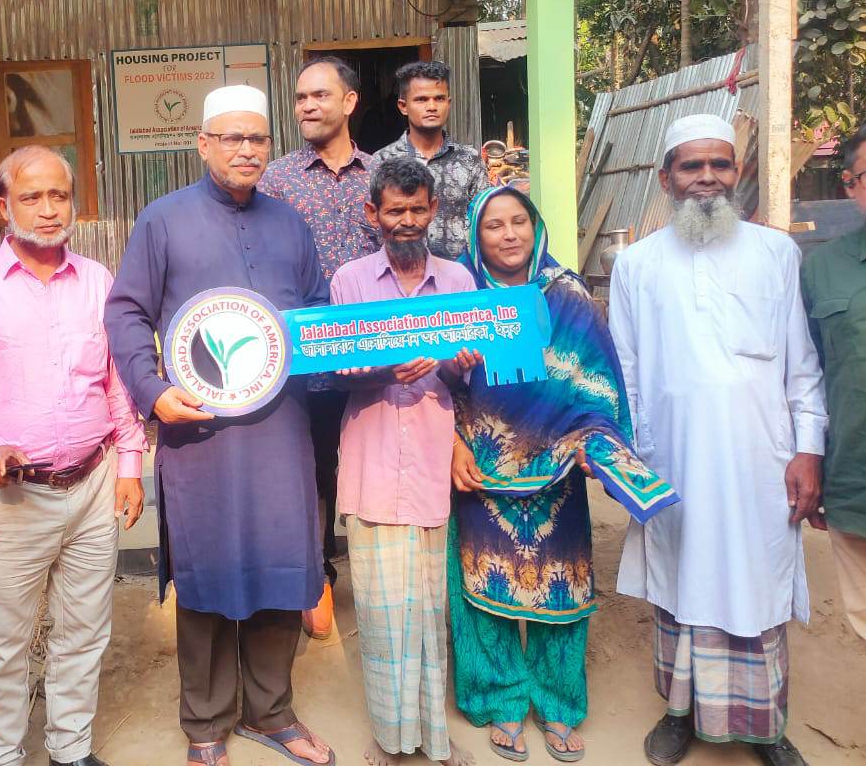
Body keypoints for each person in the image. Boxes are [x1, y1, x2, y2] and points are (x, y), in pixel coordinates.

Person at [104, 84, 334, 766]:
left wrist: (338, 361)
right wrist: (153, 393)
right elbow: (125, 314)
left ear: (270, 147)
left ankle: (271, 711)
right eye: (230, 138)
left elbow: (318, 314)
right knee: (204, 573)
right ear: (202, 143)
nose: (245, 150)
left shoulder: (290, 225)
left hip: (279, 430)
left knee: (281, 560)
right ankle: (205, 723)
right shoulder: (164, 221)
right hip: (197, 430)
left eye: (257, 138)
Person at [609, 114, 827, 766]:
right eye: (690, 165)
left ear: (738, 173)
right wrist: (633, 466)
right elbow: (627, 375)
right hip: (673, 461)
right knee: (681, 584)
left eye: (720, 165)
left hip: (763, 459)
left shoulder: (776, 253)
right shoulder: (637, 266)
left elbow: (803, 365)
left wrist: (808, 449)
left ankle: (765, 725)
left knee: (759, 584)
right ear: (666, 178)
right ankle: (680, 714)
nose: (707, 178)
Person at [0, 145, 147, 766]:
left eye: (60, 196)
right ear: (3, 206)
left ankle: (70, 750)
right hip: (14, 495)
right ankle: (0, 755)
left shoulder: (98, 281)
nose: (49, 211)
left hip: (92, 483)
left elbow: (117, 382)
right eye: (32, 197)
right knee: (3, 641)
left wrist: (129, 468)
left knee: (84, 632)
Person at [445, 186, 634, 763]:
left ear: (536, 226)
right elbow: (431, 384)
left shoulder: (568, 294)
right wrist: (453, 431)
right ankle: (499, 699)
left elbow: (599, 379)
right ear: (475, 238)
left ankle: (557, 704)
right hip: (481, 468)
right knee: (483, 590)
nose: (508, 234)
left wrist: (595, 438)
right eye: (493, 226)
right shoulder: (459, 295)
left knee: (563, 588)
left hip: (557, 469)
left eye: (518, 221)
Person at [329, 157, 477, 766]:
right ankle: (391, 744)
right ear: (373, 214)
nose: (408, 221)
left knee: (428, 606)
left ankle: (433, 741)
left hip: (429, 455)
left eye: (418, 209)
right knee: (383, 613)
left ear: (434, 211)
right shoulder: (351, 282)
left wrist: (457, 363)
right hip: (370, 462)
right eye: (395, 210)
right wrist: (384, 368)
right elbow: (335, 369)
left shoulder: (460, 281)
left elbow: (474, 372)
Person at [258, 54, 378, 639]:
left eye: (319, 96)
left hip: (369, 358)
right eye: (301, 97)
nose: (306, 106)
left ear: (349, 102)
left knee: (357, 463)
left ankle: (374, 574)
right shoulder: (276, 179)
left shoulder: (381, 174)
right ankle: (315, 575)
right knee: (303, 469)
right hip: (297, 357)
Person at [801, 124, 866, 641]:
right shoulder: (823, 268)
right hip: (855, 483)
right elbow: (810, 374)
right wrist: (813, 461)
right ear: (850, 185)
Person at [370, 60, 489, 261]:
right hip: (400, 277)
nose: (432, 107)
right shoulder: (382, 161)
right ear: (403, 106)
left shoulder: (469, 160)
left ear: (448, 103)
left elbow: (483, 221)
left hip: (459, 281)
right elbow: (374, 228)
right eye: (422, 100)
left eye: (439, 99)